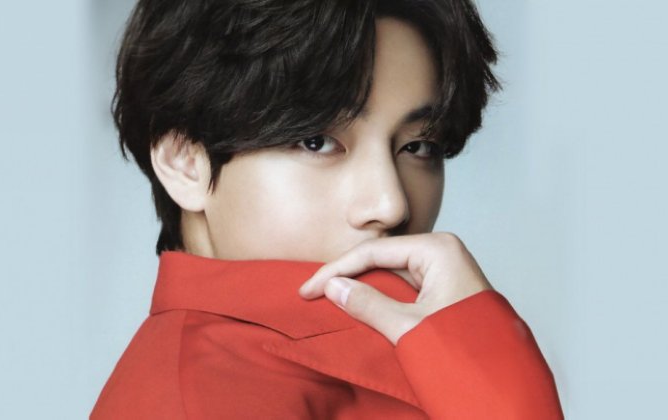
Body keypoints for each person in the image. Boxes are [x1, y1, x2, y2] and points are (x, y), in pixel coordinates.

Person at [91, 0, 564, 418]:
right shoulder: (195, 403)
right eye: (316, 141)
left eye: (419, 146)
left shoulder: (395, 357)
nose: (392, 205)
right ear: (185, 163)